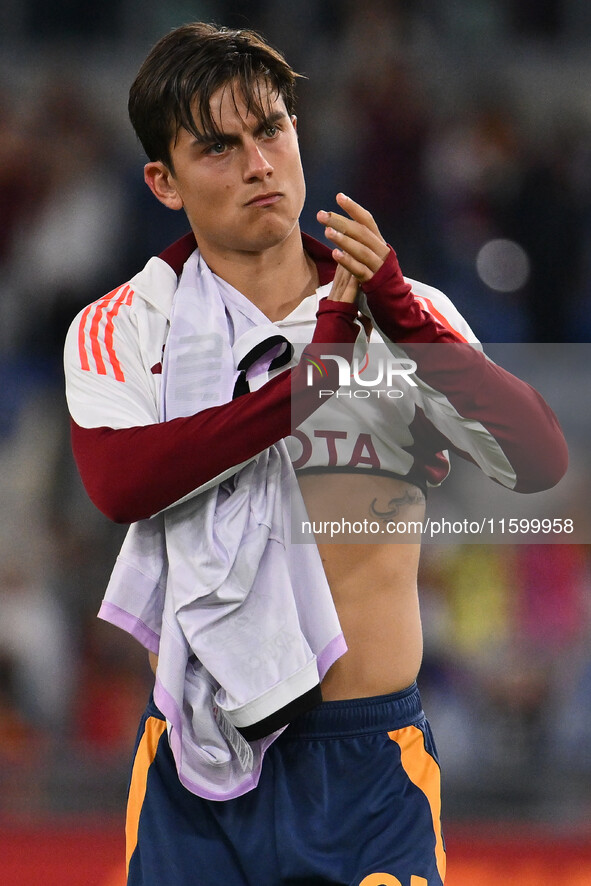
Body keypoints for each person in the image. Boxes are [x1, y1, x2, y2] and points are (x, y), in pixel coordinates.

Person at [63, 22, 568, 886]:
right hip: (195, 777)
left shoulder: (404, 310)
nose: (258, 163)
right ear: (163, 181)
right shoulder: (124, 323)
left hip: (368, 772)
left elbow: (535, 458)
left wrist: (398, 315)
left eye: (271, 129)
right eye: (217, 147)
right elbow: (121, 481)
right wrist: (306, 390)